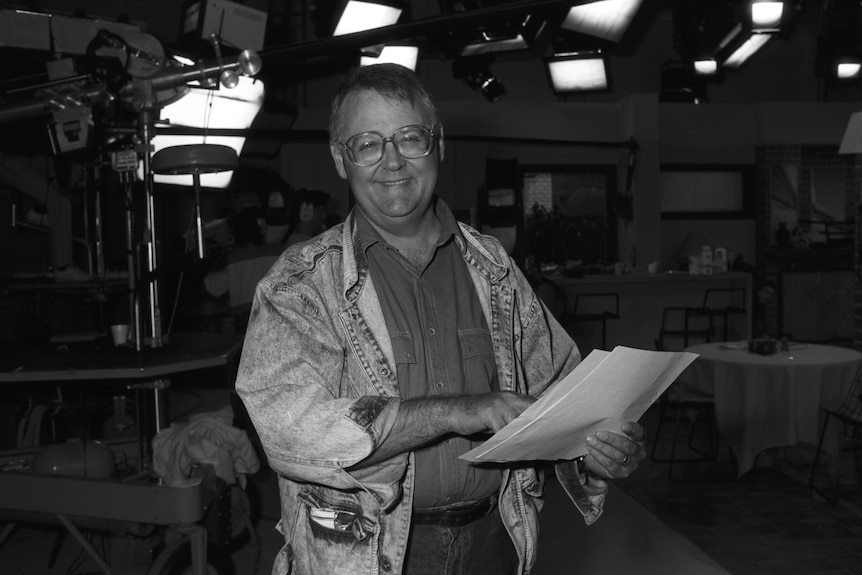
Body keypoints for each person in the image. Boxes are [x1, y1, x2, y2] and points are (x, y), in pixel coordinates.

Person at [235, 63, 647, 575]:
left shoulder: (494, 268)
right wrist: (459, 411)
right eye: (367, 144)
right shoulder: (300, 284)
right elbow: (290, 427)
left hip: (494, 539)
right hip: (363, 551)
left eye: (410, 138)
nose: (392, 162)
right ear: (342, 161)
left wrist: (596, 446)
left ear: (438, 145)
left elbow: (558, 389)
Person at [0, 152, 90, 281]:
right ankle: (62, 268)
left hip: (26, 155)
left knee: (74, 167)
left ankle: (40, 212)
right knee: (60, 204)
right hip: (9, 158)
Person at [203, 205, 283, 331]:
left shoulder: (230, 258)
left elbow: (211, 288)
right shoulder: (280, 253)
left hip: (244, 327)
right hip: (275, 324)